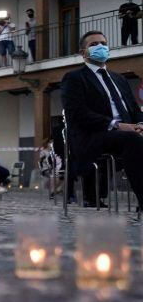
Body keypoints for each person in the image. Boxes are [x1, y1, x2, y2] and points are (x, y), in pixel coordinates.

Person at [60, 30, 143, 211]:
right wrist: (117, 125)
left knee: (135, 137)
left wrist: (140, 125)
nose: (100, 47)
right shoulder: (74, 78)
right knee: (132, 139)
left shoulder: (119, 79)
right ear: (83, 53)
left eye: (103, 44)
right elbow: (77, 113)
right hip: (93, 136)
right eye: (94, 44)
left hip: (124, 134)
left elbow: (135, 111)